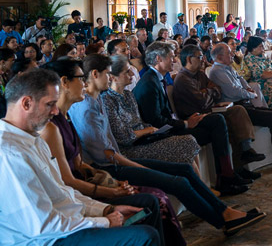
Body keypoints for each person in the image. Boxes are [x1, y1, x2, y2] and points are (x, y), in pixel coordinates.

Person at [0, 69, 162, 246]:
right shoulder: (9, 154)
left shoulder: (33, 139)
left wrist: (106, 209)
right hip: (46, 240)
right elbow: (43, 225)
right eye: (50, 104)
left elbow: (63, 194)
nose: (55, 111)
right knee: (145, 236)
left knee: (147, 204)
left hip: (63, 224)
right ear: (26, 103)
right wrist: (106, 221)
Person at [40, 59, 182, 246]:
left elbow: (80, 165)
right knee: (153, 200)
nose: (84, 84)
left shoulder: (67, 117)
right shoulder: (52, 127)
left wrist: (114, 184)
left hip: (93, 180)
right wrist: (112, 192)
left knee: (161, 192)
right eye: (80, 78)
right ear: (64, 82)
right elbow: (69, 181)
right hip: (78, 195)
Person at [130, 43, 251, 195]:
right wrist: (186, 123)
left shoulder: (156, 79)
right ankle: (226, 178)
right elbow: (155, 121)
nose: (174, 61)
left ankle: (227, 175)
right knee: (216, 126)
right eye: (171, 57)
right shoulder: (149, 83)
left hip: (173, 124)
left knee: (217, 121)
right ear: (158, 59)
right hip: (161, 134)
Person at [173, 46, 266, 176]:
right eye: (200, 57)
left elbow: (217, 89)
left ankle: (246, 153)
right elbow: (202, 101)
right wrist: (209, 92)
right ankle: (231, 172)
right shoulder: (183, 78)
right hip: (196, 117)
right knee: (227, 123)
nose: (203, 59)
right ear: (189, 59)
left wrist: (207, 91)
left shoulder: (199, 74)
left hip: (209, 110)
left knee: (237, 110)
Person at [208, 43, 272, 168]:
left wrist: (248, 89)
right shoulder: (217, 71)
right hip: (236, 109)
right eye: (229, 53)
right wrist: (251, 94)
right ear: (220, 56)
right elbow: (234, 92)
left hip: (244, 105)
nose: (232, 54)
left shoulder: (227, 67)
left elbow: (241, 79)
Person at [101, 55, 201, 167]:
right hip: (130, 148)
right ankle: (199, 183)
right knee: (186, 143)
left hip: (144, 140)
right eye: (127, 72)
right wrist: (146, 130)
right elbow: (123, 137)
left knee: (189, 141)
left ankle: (199, 182)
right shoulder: (107, 100)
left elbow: (139, 122)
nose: (132, 74)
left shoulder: (128, 95)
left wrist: (154, 130)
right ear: (113, 77)